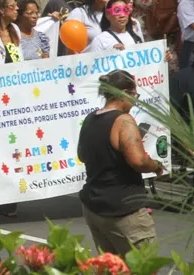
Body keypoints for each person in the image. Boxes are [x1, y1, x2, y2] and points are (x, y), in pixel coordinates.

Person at [78, 70, 162, 257]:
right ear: (125, 92)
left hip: (94, 207)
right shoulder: (123, 121)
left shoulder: (90, 119)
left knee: (112, 268)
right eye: (134, 95)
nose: (135, 101)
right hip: (123, 210)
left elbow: (82, 155)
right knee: (144, 267)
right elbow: (139, 161)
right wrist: (156, 165)